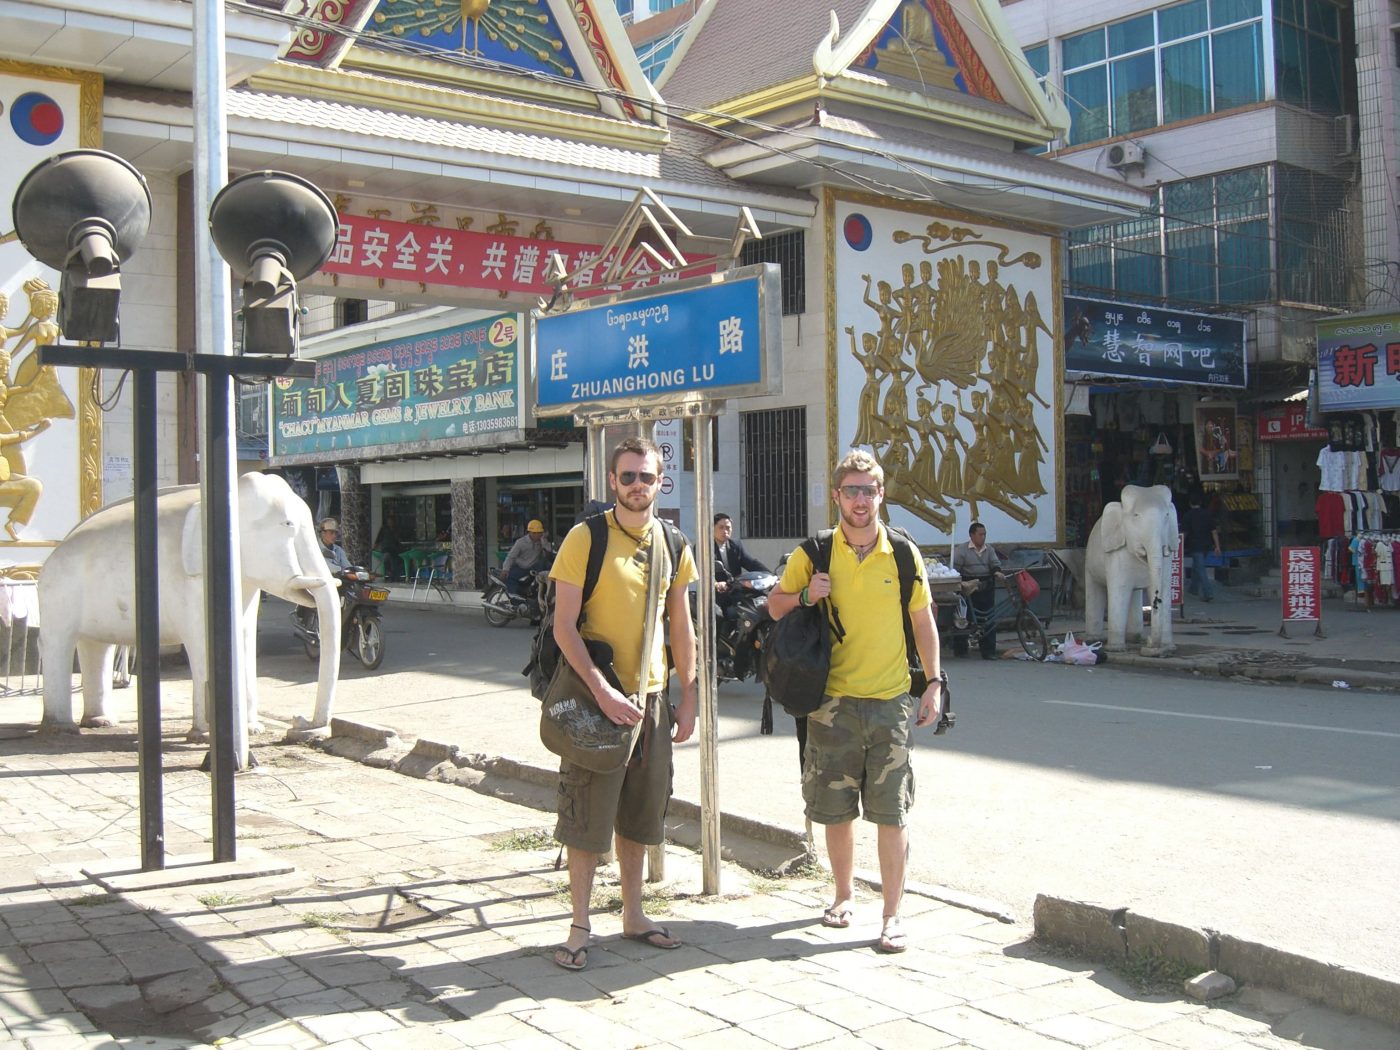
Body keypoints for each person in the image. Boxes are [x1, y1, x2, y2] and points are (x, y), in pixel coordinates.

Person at [767, 449, 944, 955]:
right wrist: (806, 596)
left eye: (869, 490)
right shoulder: (815, 553)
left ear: (881, 495)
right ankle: (843, 895)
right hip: (833, 705)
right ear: (836, 495)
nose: (861, 500)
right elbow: (774, 605)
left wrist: (934, 682)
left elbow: (923, 621)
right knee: (836, 811)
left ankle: (892, 915)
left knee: (893, 813)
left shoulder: (904, 554)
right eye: (852, 490)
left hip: (891, 704)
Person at [548, 437, 698, 972]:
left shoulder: (675, 543)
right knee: (586, 815)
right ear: (612, 482)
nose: (638, 486)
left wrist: (690, 695)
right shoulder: (584, 539)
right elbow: (565, 627)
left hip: (652, 700)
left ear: (662, 483)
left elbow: (681, 624)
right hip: (595, 700)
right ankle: (579, 924)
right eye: (628, 477)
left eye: (648, 477)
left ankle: (633, 914)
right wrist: (602, 690)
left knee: (641, 812)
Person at [953, 521, 1003, 659]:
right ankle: (961, 650)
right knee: (965, 618)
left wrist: (997, 572)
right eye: (980, 534)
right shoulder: (962, 550)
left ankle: (988, 651)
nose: (983, 537)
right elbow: (955, 569)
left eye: (984, 534)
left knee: (989, 619)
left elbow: (994, 564)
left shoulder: (989, 550)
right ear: (972, 535)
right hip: (969, 588)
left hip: (986, 586)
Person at [713, 512, 769, 621]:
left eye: (728, 528)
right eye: (721, 527)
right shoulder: (704, 547)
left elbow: (751, 563)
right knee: (719, 618)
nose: (725, 531)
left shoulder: (735, 545)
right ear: (713, 528)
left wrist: (770, 574)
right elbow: (704, 572)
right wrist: (716, 583)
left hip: (735, 589)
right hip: (717, 594)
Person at [1182, 494, 1222, 602]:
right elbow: (1214, 532)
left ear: (1190, 504)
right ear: (1200, 503)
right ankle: (1193, 589)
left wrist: (1179, 546)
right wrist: (1217, 546)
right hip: (1206, 545)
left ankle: (1208, 593)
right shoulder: (1207, 514)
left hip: (1195, 545)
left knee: (1200, 569)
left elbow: (1184, 533)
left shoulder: (1188, 516)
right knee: (1197, 566)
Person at [502, 519, 553, 596]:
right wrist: (505, 569)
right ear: (530, 533)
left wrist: (544, 543)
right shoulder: (520, 542)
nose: (537, 535)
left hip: (534, 568)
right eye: (535, 533)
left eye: (539, 533)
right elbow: (511, 556)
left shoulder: (542, 541)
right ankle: (515, 596)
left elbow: (549, 552)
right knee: (509, 577)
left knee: (544, 562)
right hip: (521, 568)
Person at [373, 515, 404, 580]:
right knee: (387, 558)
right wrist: (374, 548)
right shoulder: (384, 529)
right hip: (386, 548)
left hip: (394, 549)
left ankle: (395, 575)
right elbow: (379, 539)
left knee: (396, 560)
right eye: (389, 521)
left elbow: (398, 540)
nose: (390, 523)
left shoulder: (396, 529)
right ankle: (389, 574)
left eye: (392, 521)